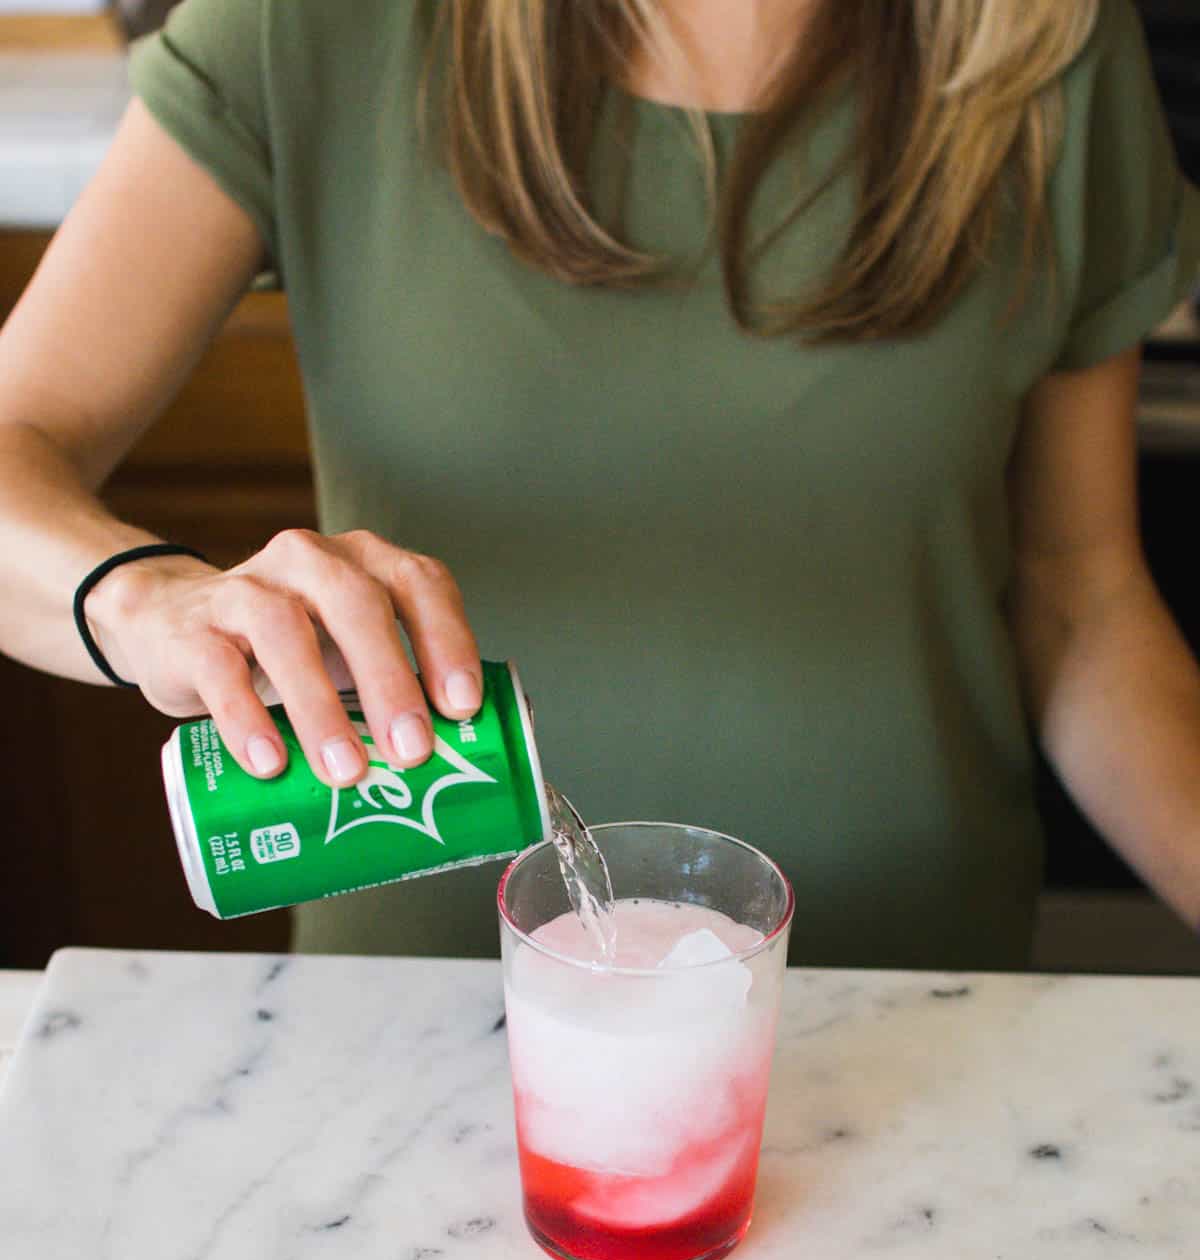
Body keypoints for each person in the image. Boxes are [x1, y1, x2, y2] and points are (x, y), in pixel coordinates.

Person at [0, 0, 1198, 970]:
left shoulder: (1044, 50)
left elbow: (1080, 597)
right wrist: (144, 602)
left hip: (918, 999)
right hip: (424, 1016)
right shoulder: (303, 26)